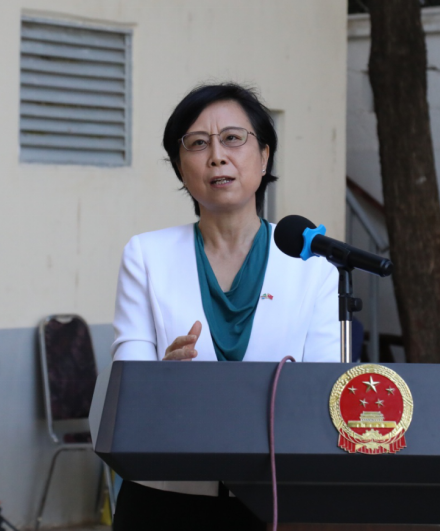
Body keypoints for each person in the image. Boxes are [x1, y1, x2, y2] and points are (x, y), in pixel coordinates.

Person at [111, 83, 339, 530]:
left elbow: (325, 389)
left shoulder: (313, 266)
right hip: (164, 494)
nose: (217, 156)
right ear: (180, 167)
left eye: (233, 138)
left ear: (265, 156)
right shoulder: (146, 255)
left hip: (275, 495)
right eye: (198, 144)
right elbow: (128, 388)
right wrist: (162, 375)